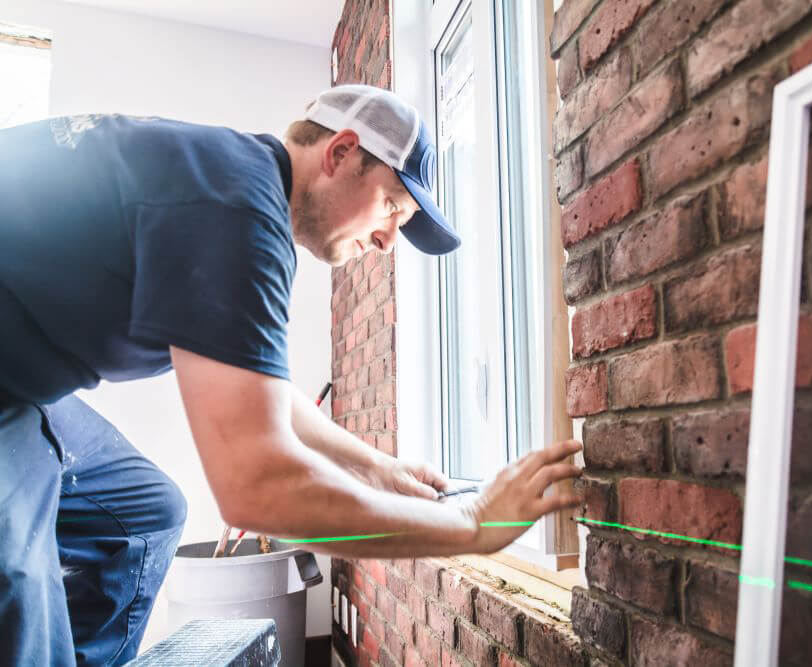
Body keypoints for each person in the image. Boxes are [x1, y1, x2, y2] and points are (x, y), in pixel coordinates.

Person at [0, 85, 582, 666]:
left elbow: (264, 396)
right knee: (19, 570)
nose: (386, 241)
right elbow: (257, 486)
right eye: (392, 208)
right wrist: (469, 526)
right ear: (342, 153)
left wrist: (381, 470)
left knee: (146, 514)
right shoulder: (237, 211)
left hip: (24, 384)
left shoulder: (235, 185)